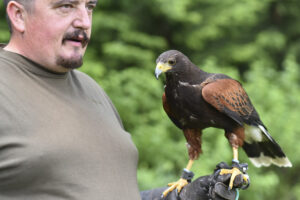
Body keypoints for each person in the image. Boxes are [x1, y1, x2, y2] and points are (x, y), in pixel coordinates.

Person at [0, 0, 248, 199]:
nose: (84, 21)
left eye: (90, 7)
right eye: (66, 6)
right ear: (19, 15)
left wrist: (174, 198)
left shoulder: (91, 89)